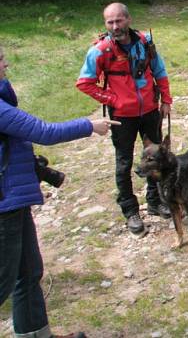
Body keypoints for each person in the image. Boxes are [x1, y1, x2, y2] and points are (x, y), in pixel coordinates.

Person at [1, 45, 118, 338]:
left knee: (28, 273)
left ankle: (37, 334)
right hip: (4, 207)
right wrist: (90, 125)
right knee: (3, 281)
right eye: (1, 60)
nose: (7, 65)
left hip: (14, 202)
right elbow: (44, 132)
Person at [76, 3, 173, 235]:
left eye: (119, 21)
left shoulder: (145, 42)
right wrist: (112, 99)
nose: (115, 26)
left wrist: (166, 100)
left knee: (156, 158)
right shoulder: (100, 50)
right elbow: (84, 83)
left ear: (128, 19)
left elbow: (159, 71)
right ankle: (130, 211)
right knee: (124, 163)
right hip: (122, 117)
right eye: (110, 22)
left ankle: (155, 201)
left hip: (150, 110)